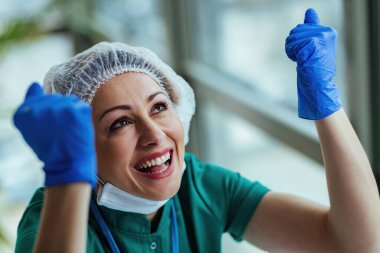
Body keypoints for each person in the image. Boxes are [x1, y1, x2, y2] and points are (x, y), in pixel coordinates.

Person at [13, 8, 380, 253]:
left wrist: (328, 108)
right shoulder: (54, 217)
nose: (154, 133)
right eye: (120, 122)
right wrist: (66, 178)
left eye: (159, 106)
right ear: (82, 146)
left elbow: (356, 244)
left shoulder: (200, 187)